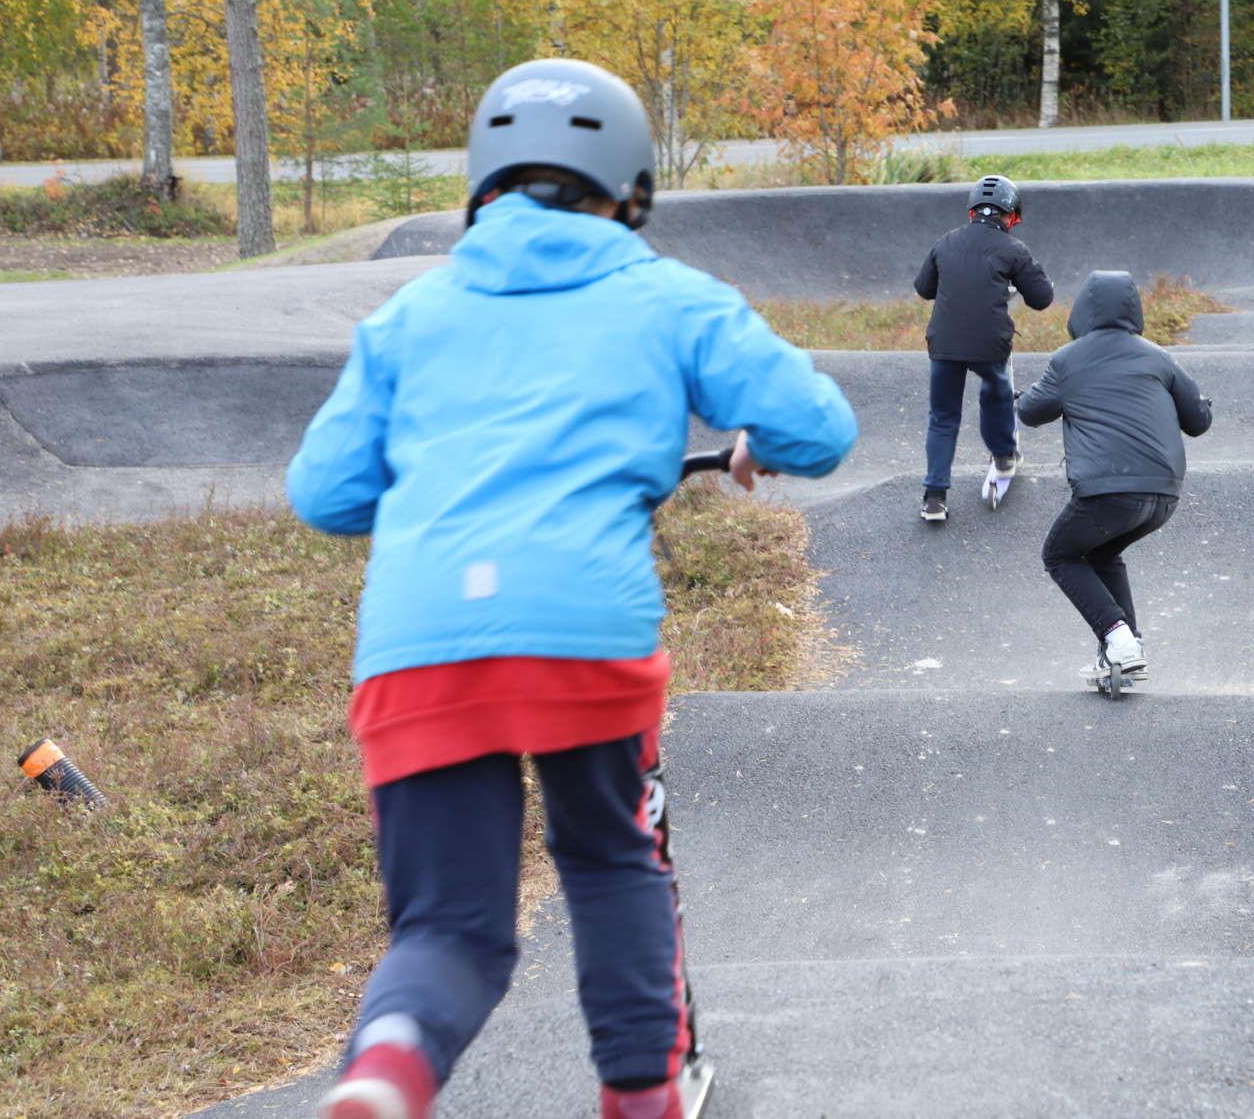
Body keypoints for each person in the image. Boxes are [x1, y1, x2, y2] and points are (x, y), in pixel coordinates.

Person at [288, 58, 858, 1119]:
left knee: (448, 928)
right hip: (583, 633)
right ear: (629, 186)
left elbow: (324, 492)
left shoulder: (411, 314)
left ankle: (385, 1071)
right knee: (609, 860)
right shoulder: (668, 295)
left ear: (482, 179)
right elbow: (819, 429)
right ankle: (643, 1096)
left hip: (421, 639)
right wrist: (752, 444)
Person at [1016, 270, 1212, 685]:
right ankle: (1128, 649)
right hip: (1163, 494)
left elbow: (1031, 412)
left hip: (1107, 491)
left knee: (1061, 554)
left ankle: (1116, 637)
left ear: (1081, 310)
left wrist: (1018, 397)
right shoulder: (1158, 356)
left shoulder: (1069, 359)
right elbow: (1199, 421)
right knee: (1102, 554)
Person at [912, 174, 1054, 523]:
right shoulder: (1013, 249)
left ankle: (934, 497)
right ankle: (1004, 455)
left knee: (943, 417)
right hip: (990, 344)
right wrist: (1016, 284)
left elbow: (924, 289)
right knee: (996, 396)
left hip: (944, 343)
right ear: (1011, 215)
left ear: (972, 211)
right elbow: (1042, 299)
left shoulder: (945, 242)